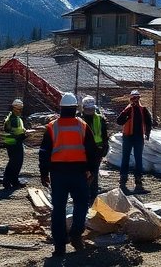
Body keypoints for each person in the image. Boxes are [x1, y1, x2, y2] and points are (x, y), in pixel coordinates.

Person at [39, 92, 100, 262]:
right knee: (82, 203)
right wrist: (92, 171)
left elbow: (44, 153)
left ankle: (59, 247)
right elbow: (92, 151)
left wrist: (44, 173)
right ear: (75, 108)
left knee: (58, 209)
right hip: (78, 174)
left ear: (60, 108)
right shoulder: (82, 126)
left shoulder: (52, 127)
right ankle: (75, 233)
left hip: (58, 174)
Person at [116, 89, 153, 193]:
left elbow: (148, 122)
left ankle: (138, 182)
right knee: (125, 158)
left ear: (139, 98)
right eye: (133, 98)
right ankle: (123, 181)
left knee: (138, 159)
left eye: (137, 98)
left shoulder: (143, 109)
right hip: (128, 136)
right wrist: (126, 117)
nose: (135, 100)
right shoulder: (127, 109)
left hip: (138, 137)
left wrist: (148, 133)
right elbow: (119, 121)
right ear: (130, 99)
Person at [81, 95, 109, 205]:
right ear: (83, 108)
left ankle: (93, 196)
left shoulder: (99, 119)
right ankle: (83, 195)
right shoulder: (79, 120)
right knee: (83, 174)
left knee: (94, 174)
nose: (90, 111)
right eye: (88, 109)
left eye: (92, 109)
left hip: (97, 151)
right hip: (83, 151)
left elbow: (104, 135)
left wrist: (104, 148)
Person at [2, 98, 27, 191]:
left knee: (15, 162)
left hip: (13, 141)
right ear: (14, 108)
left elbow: (19, 129)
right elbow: (16, 131)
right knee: (14, 162)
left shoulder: (15, 117)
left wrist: (23, 132)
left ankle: (13, 181)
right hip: (13, 141)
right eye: (19, 109)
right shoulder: (13, 119)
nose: (20, 111)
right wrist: (23, 135)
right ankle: (8, 181)